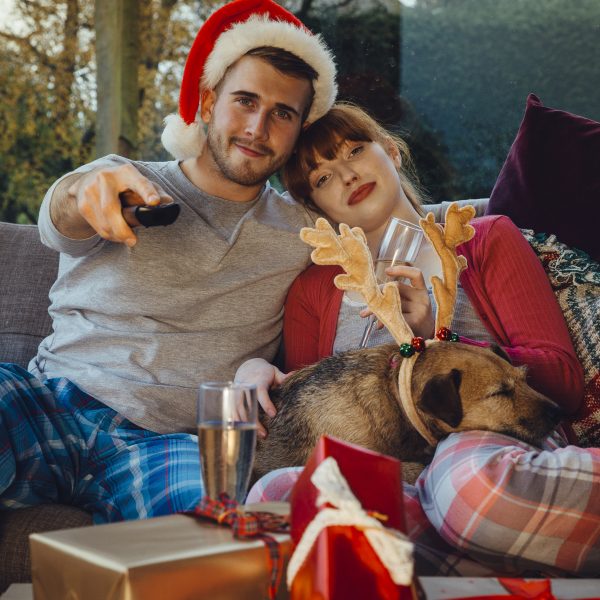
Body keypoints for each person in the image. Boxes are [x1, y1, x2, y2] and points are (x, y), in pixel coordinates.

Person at [0, 0, 337, 523]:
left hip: (171, 445)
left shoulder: (306, 231)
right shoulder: (124, 178)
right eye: (244, 101)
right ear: (207, 103)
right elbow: (63, 213)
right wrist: (85, 191)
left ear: (297, 132)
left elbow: (377, 243)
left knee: (218, 529)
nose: (257, 126)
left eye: (282, 113)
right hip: (51, 402)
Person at [241, 104, 599, 576]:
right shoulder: (315, 291)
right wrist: (254, 369)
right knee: (277, 492)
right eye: (323, 179)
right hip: (397, 471)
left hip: (491, 444)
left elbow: (564, 381)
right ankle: (485, 570)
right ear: (315, 207)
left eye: (354, 150)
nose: (346, 175)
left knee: (466, 487)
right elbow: (316, 413)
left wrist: (438, 336)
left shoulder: (485, 239)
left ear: (391, 150)